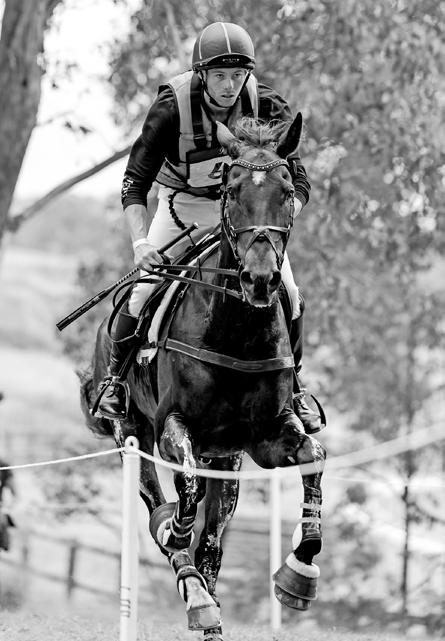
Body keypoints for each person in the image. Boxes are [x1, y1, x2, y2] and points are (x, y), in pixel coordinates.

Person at [95, 21, 322, 433]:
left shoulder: (268, 105)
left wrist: (274, 219)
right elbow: (134, 183)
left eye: (238, 75)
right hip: (182, 209)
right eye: (220, 75)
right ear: (201, 75)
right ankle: (115, 382)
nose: (230, 85)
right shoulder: (171, 108)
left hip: (248, 216)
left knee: (290, 293)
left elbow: (298, 179)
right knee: (142, 291)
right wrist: (140, 242)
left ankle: (295, 388)